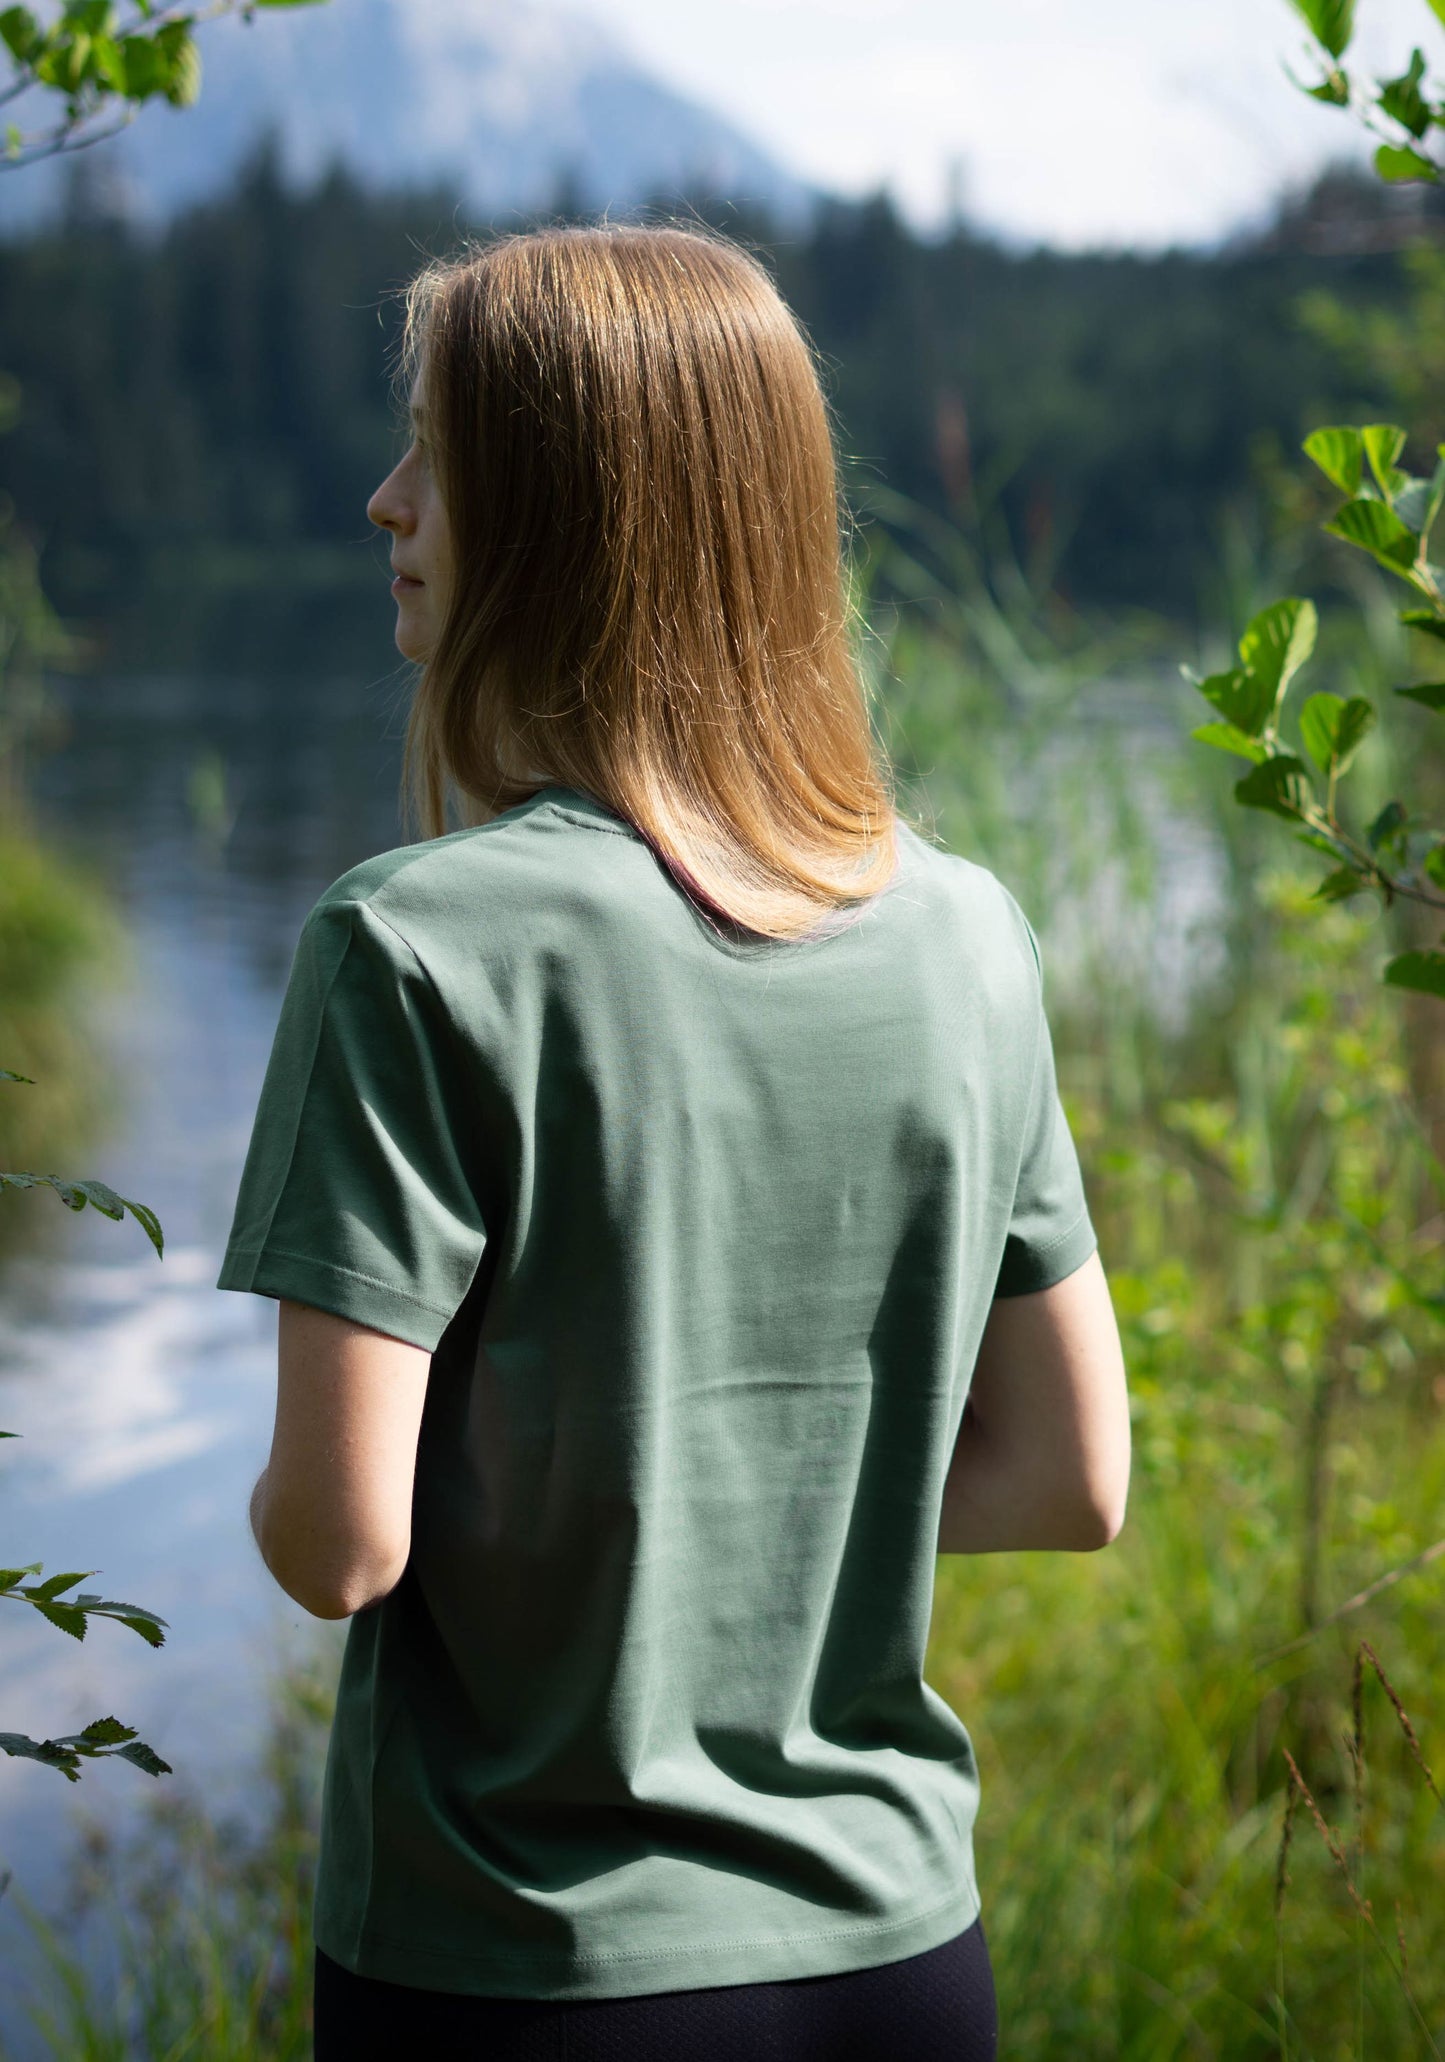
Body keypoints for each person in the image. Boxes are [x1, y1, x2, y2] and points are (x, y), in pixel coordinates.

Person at [216, 220, 1130, 2062]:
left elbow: (338, 1544)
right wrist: (773, 1524)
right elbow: (1068, 1477)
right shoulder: (967, 935)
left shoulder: (408, 945)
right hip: (898, 1967)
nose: (387, 503)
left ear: (565, 507)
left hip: (521, 1972)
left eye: (434, 453)